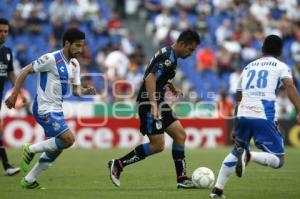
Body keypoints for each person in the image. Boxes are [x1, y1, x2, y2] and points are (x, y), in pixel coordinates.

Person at [209, 35, 300, 198]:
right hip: (263, 113)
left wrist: (236, 125)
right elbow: (290, 85)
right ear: (280, 50)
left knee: (236, 151)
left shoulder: (248, 67)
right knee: (279, 160)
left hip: (243, 112)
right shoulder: (281, 66)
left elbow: (238, 95)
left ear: (263, 49)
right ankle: (249, 155)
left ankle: (217, 190)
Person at [5, 28, 96, 189]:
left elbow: (75, 91)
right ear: (67, 44)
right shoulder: (51, 58)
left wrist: (85, 90)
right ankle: (31, 149)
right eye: (77, 45)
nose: (80, 50)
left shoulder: (75, 65)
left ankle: (29, 180)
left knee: (57, 148)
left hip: (57, 110)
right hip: (43, 108)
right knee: (69, 139)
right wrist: (14, 94)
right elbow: (25, 70)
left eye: (82, 46)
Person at [108, 29, 200, 188]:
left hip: (159, 101)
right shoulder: (168, 58)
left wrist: (171, 87)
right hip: (149, 102)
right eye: (190, 49)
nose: (191, 53)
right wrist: (153, 105)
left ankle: (182, 179)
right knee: (157, 145)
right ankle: (119, 164)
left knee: (180, 135)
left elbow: (159, 75)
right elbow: (151, 78)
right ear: (182, 44)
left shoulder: (170, 54)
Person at [0, 18, 21, 176]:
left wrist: (17, 91)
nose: (3, 34)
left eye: (5, 31)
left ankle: (7, 166)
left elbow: (11, 73)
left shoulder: (7, 52)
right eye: (0, 31)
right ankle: (7, 166)